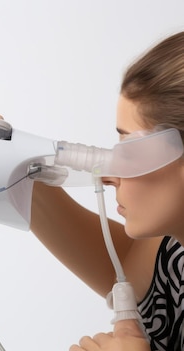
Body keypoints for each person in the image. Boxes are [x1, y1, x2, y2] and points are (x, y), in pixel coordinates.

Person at [30, 30, 184, 351]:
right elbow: (128, 264)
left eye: (131, 150)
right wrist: (24, 181)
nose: (110, 175)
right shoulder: (174, 250)